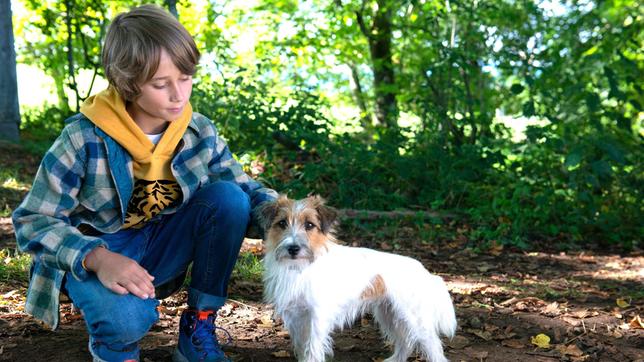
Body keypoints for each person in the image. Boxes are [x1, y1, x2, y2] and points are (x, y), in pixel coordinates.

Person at [12, 4, 277, 362]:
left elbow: (245, 188)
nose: (179, 95)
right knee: (126, 322)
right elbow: (33, 221)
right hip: (100, 255)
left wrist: (291, 223)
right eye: (160, 84)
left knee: (229, 198)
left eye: (185, 77)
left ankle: (198, 327)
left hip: (162, 242)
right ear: (128, 83)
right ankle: (114, 349)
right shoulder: (83, 137)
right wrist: (98, 258)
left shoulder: (197, 131)